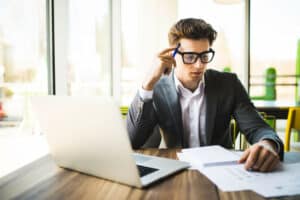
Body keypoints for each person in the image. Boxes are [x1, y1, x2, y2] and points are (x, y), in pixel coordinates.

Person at [126, 18, 283, 172]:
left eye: (204, 56)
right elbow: (132, 141)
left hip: (222, 172)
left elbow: (257, 128)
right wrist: (147, 84)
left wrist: (267, 143)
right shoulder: (156, 89)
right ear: (172, 55)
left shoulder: (228, 84)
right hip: (175, 170)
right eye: (189, 57)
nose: (199, 65)